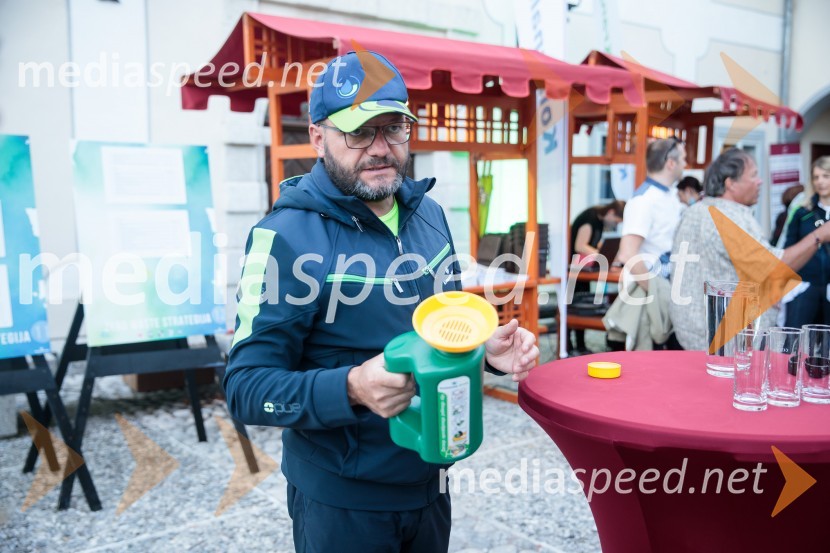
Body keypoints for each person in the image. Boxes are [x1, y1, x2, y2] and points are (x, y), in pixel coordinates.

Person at [223, 51, 539, 553]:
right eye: (359, 132)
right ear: (317, 136)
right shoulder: (282, 237)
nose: (380, 148)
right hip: (340, 503)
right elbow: (243, 388)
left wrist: (486, 353)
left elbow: (441, 338)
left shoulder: (430, 213)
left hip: (432, 481)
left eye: (394, 129)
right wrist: (349, 387)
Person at [670, 149, 830, 351]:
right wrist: (820, 235)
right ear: (731, 183)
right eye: (754, 175)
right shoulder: (727, 217)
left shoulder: (694, 211)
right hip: (727, 343)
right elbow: (775, 267)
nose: (760, 181)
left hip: (695, 335)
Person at [611, 137, 686, 349]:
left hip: (667, 291)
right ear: (670, 163)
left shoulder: (670, 195)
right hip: (650, 296)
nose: (686, 164)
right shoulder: (643, 201)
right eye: (683, 158)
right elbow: (628, 254)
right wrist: (657, 293)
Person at [568, 200, 625, 354]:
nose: (615, 224)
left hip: (584, 269)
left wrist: (615, 257)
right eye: (616, 221)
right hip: (573, 270)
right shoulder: (589, 219)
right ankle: (568, 346)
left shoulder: (599, 222)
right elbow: (580, 246)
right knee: (572, 306)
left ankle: (580, 345)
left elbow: (596, 244)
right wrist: (602, 257)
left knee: (582, 304)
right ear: (611, 213)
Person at [783, 157, 830, 327]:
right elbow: (788, 248)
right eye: (816, 177)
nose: (820, 182)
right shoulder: (802, 211)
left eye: (826, 176)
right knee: (797, 343)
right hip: (803, 286)